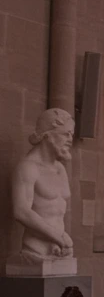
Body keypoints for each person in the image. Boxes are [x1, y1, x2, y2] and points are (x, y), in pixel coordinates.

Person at [11, 109, 75, 264]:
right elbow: (21, 211)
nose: (70, 139)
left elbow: (56, 210)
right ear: (48, 136)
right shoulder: (28, 167)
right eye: (65, 134)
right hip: (36, 249)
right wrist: (56, 236)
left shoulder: (60, 169)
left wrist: (62, 237)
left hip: (58, 247)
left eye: (71, 135)